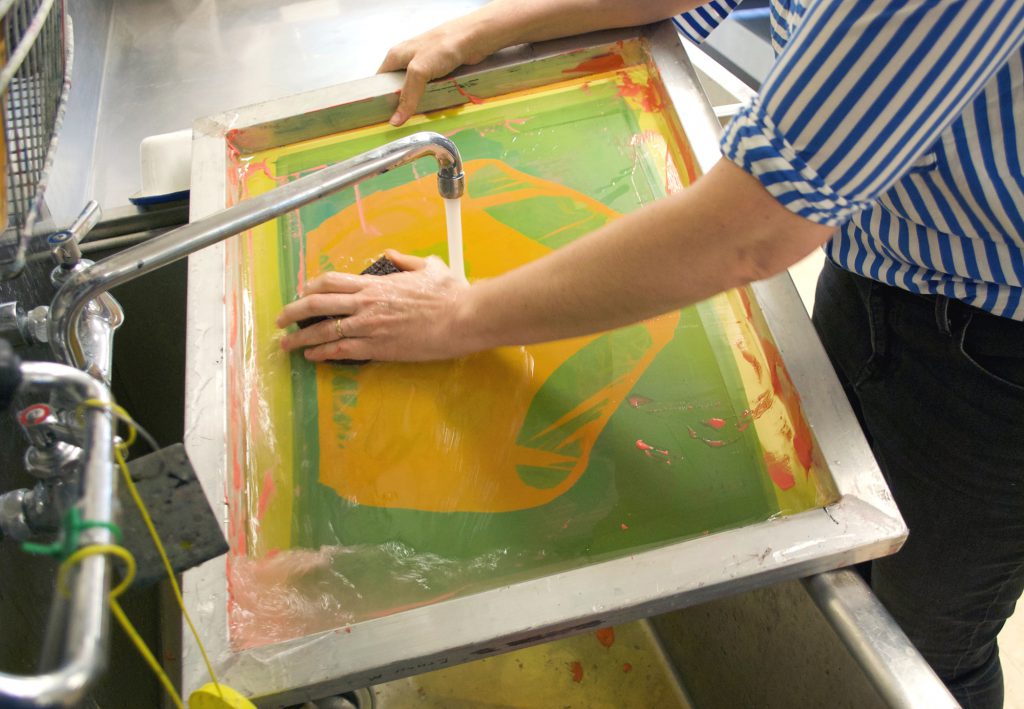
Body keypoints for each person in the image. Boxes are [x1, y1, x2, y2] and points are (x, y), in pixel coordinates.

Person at [277, 2, 1024, 706]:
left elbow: (752, 229)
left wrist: (462, 314)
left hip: (995, 350)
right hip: (887, 255)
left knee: (922, 640)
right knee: (841, 550)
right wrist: (499, 24)